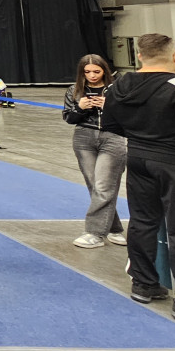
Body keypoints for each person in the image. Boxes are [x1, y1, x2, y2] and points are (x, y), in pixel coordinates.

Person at [103, 33, 175, 326]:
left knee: (142, 222)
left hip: (138, 159)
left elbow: (110, 124)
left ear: (140, 55)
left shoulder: (119, 85)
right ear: (171, 55)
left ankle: (143, 283)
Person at [62, 54, 128, 249]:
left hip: (113, 137)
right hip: (84, 138)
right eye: (87, 72)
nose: (92, 75)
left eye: (96, 71)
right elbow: (69, 118)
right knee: (95, 185)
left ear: (104, 71)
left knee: (104, 185)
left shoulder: (116, 89)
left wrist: (109, 106)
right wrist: (80, 107)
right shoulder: (74, 90)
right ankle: (114, 228)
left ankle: (95, 233)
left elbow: (130, 116)